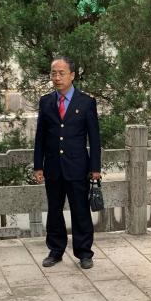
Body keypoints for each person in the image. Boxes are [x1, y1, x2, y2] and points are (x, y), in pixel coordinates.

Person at [33, 56, 102, 269]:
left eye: (61, 73)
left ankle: (84, 253)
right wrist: (38, 165)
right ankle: (55, 250)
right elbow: (40, 136)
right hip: (53, 166)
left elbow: (94, 138)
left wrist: (95, 168)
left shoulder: (86, 102)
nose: (57, 77)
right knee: (54, 210)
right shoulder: (46, 102)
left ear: (72, 75)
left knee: (80, 210)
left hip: (78, 167)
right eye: (53, 73)